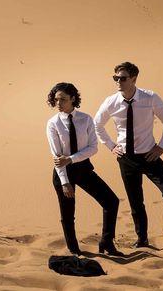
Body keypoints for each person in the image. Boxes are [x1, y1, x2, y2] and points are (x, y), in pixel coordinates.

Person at [94, 62, 163, 258]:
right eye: (116, 78)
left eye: (123, 78)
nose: (118, 82)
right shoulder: (111, 102)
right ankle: (142, 239)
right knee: (136, 201)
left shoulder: (150, 98)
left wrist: (162, 145)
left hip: (149, 155)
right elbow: (97, 125)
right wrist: (111, 146)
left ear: (134, 79)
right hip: (126, 158)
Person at [46, 82, 123, 257]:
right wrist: (65, 182)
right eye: (56, 99)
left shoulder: (86, 119)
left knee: (111, 202)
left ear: (73, 98)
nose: (58, 103)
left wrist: (71, 159)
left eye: (63, 99)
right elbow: (57, 157)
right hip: (63, 174)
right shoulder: (53, 123)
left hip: (83, 170)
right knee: (68, 214)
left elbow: (93, 148)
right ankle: (74, 250)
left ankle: (106, 242)